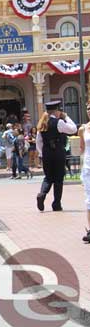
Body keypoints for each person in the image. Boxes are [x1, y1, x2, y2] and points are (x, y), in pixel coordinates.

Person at [36, 100, 78, 212]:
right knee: (58, 179)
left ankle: (42, 194)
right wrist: (66, 117)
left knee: (48, 177)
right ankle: (56, 204)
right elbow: (73, 129)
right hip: (58, 152)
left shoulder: (41, 124)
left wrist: (42, 153)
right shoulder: (58, 122)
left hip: (46, 153)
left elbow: (38, 142)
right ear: (56, 111)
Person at [77, 103, 90, 243]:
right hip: (88, 166)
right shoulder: (83, 129)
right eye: (88, 109)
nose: (89, 111)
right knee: (89, 199)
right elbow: (81, 148)